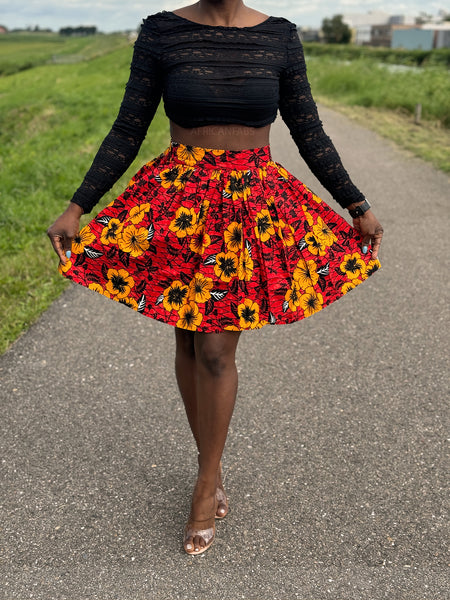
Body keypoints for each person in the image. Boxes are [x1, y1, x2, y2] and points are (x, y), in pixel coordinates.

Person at [47, 0, 383, 556]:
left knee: (215, 352)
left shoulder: (279, 37)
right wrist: (78, 206)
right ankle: (213, 466)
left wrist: (355, 202)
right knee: (188, 339)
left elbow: (308, 128)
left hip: (250, 208)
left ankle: (206, 482)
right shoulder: (162, 32)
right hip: (179, 204)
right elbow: (128, 126)